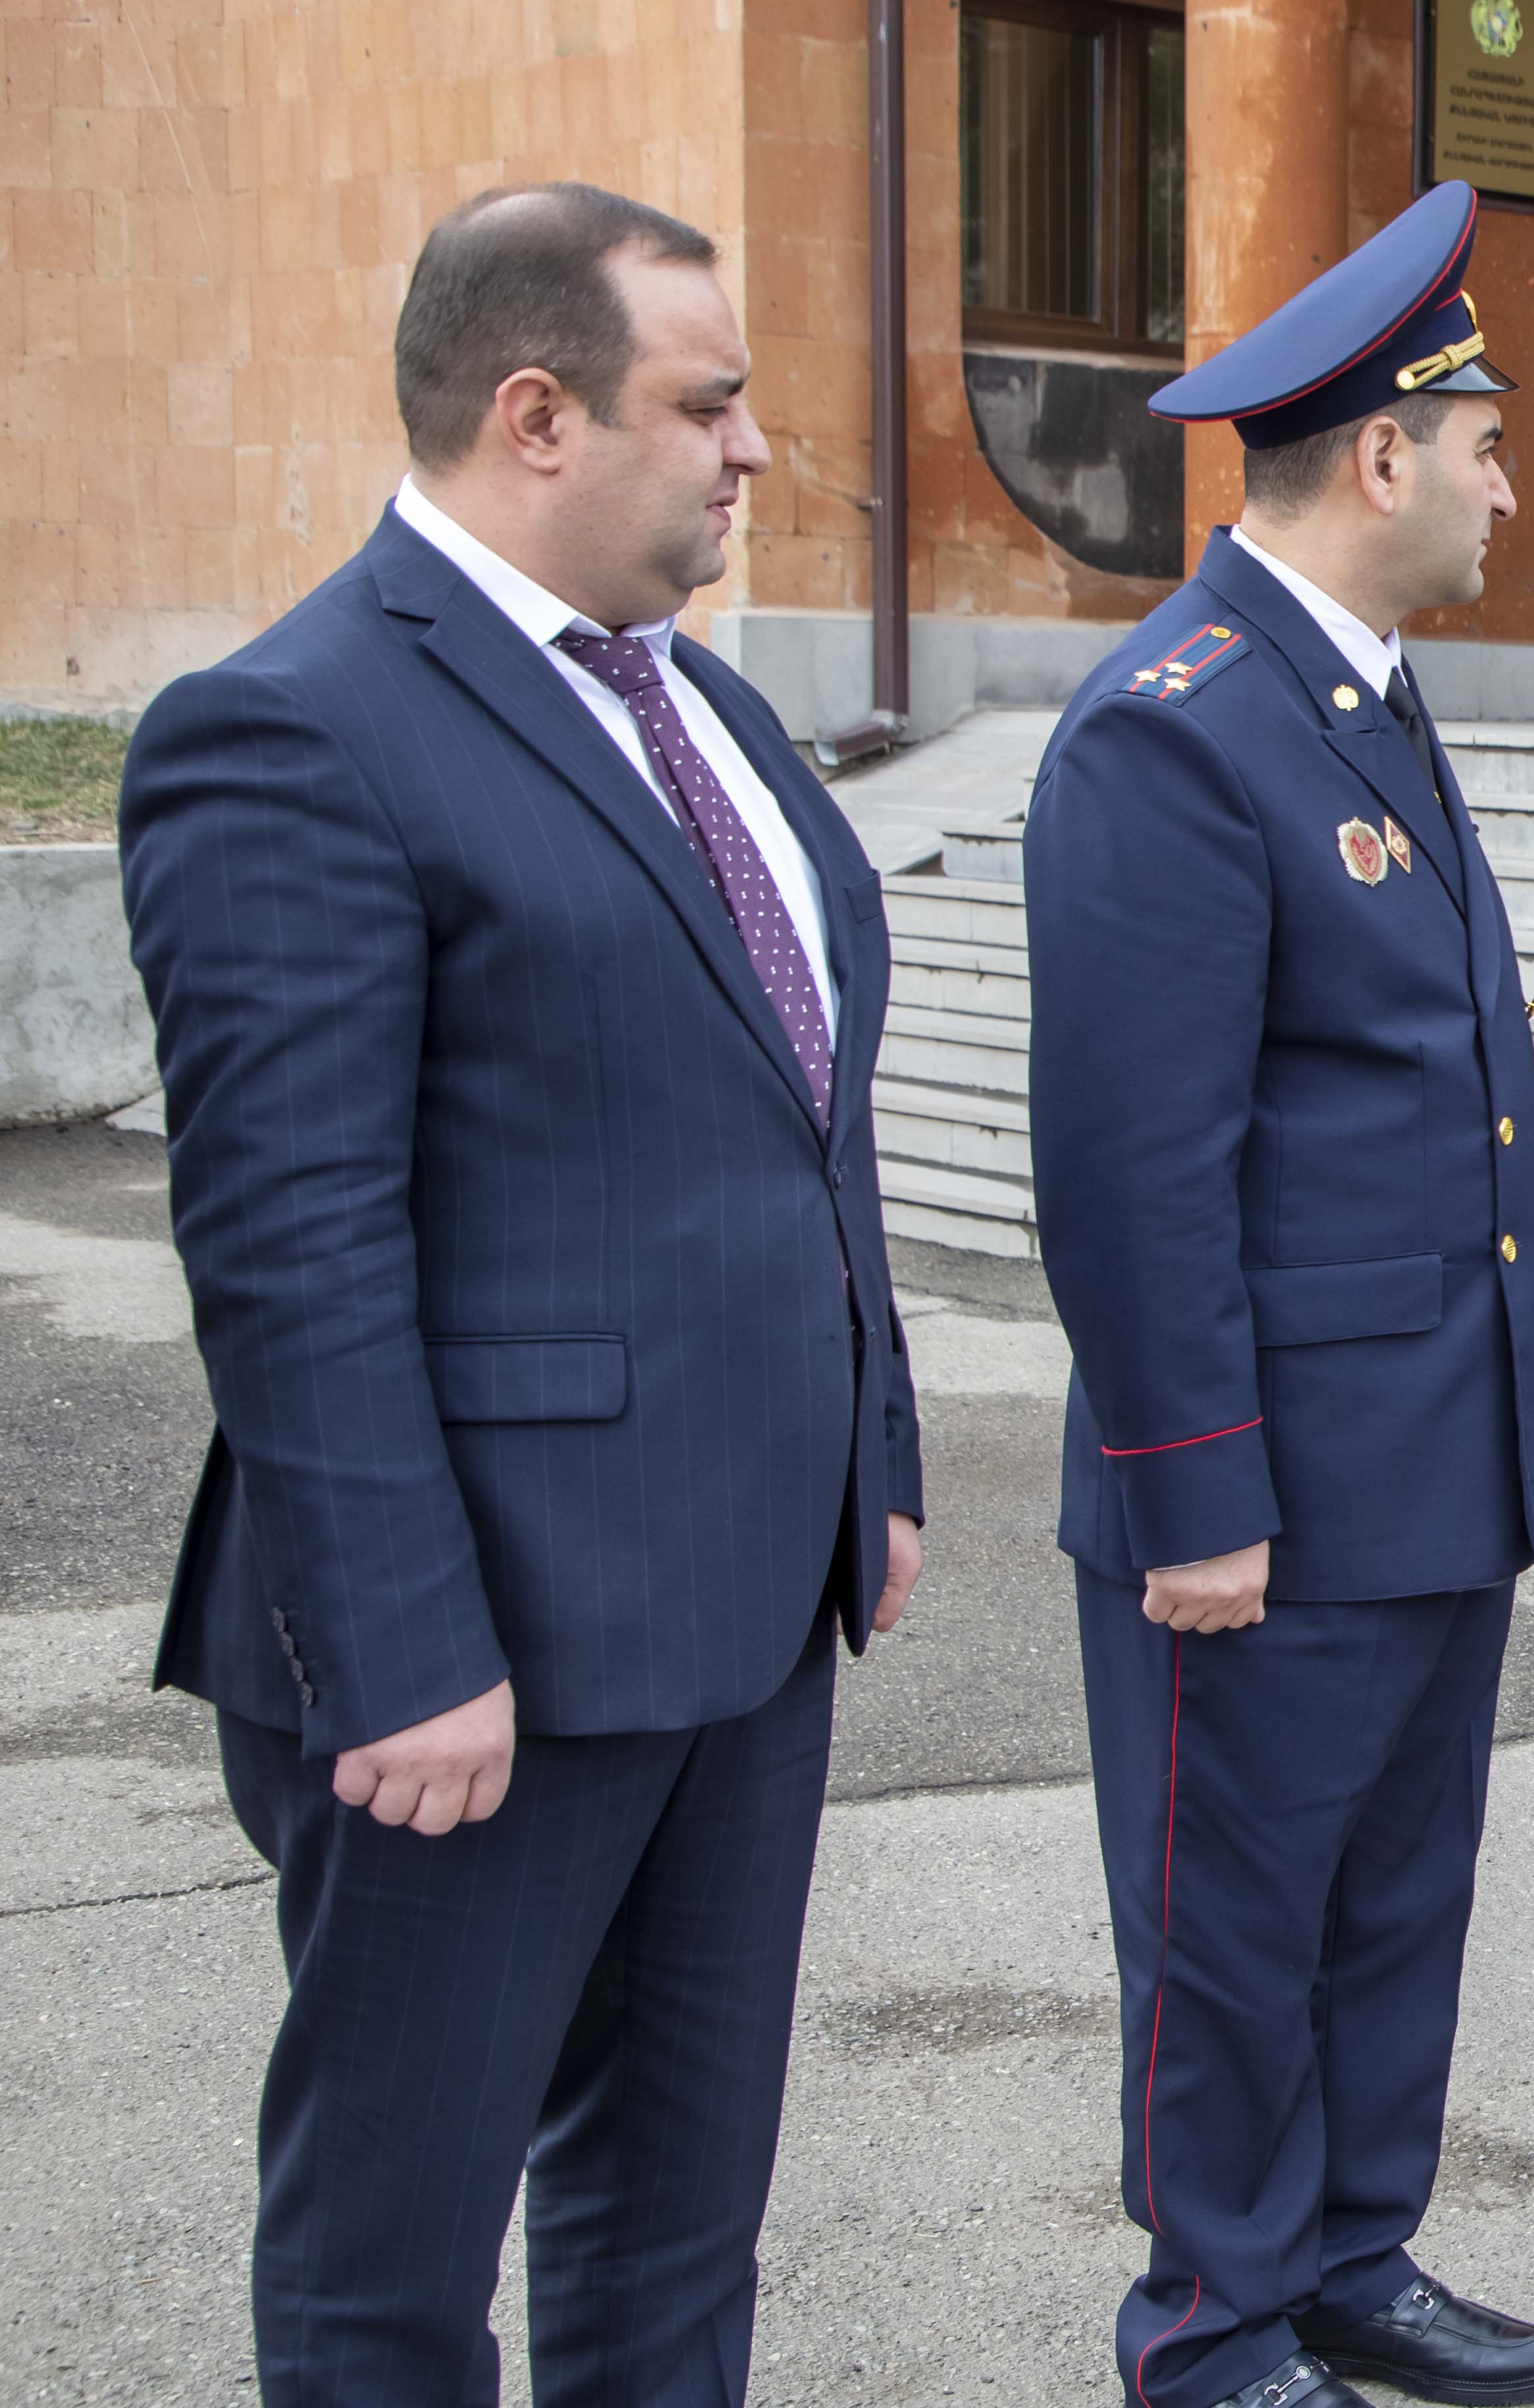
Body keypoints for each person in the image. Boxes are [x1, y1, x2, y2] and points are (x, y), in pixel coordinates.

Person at [117, 182, 926, 2405]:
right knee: (391, 2263)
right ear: (537, 414)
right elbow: (290, 1243)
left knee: (676, 2217)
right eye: (709, 401)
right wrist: (401, 1654)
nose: (753, 449)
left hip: (747, 1612)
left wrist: (871, 1452)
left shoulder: (705, 712)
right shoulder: (292, 725)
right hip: (475, 1655)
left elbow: (799, 1112)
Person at [1022, 184, 1534, 2408]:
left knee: (1390, 1898)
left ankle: (1353, 2251)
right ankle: (1213, 2322)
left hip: (1422, 1454)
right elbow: (1133, 1165)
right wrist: (1191, 1491)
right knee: (1234, 1926)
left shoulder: (1352, 696)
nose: (1507, 490)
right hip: (1267, 1482)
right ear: (1379, 455)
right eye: (1487, 448)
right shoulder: (1177, 723)